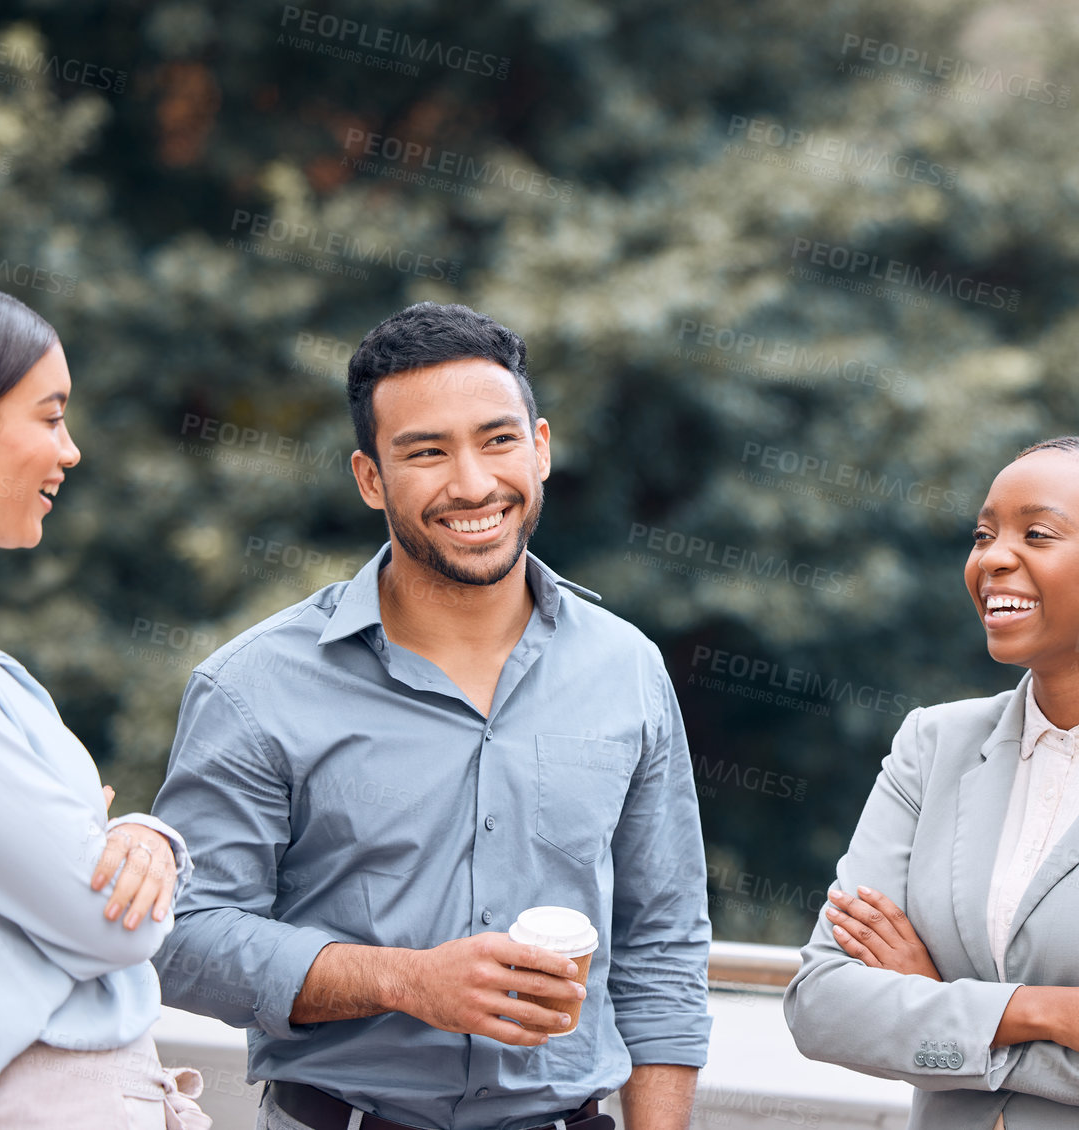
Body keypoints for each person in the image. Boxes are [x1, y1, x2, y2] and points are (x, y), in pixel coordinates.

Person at [151, 302, 709, 1130]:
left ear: (542, 448)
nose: (474, 485)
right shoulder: (252, 685)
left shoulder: (627, 669)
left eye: (497, 440)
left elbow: (662, 942)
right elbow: (182, 938)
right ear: (370, 477)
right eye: (426, 453)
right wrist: (403, 980)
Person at [784, 413, 1079, 1129]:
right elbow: (821, 1004)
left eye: (1036, 535)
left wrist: (939, 1003)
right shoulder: (932, 744)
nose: (994, 559)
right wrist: (1052, 1013)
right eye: (984, 535)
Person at [0, 279, 207, 1128]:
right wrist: (89, 842)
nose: (71, 450)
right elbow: (112, 927)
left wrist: (140, 837)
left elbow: (79, 883)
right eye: (50, 415)